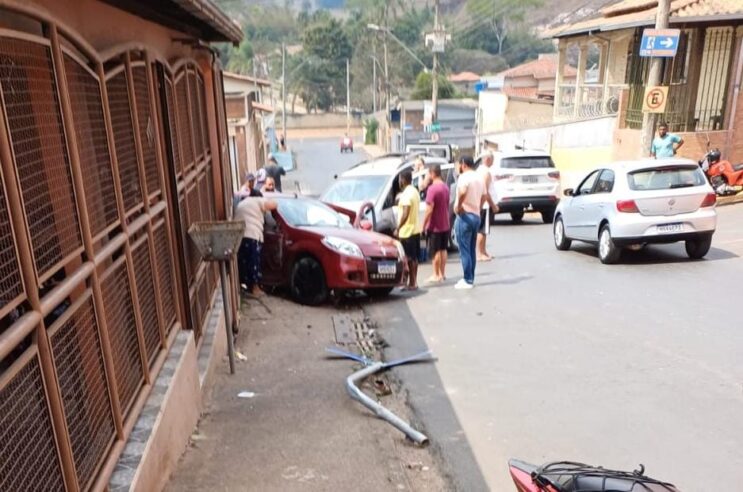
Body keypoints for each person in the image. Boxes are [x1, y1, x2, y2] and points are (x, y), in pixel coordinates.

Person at [453, 155, 486, 290]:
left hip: (465, 215)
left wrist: (459, 207)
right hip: (476, 215)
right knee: (471, 249)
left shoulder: (464, 177)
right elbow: (484, 196)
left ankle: (467, 279)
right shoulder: (479, 177)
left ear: (463, 164)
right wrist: (478, 206)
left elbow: (462, 192)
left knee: (464, 249)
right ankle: (470, 277)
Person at [234, 196, 277, 296]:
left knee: (244, 262)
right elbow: (272, 206)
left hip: (239, 235)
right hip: (252, 235)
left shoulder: (242, 203)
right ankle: (255, 288)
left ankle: (245, 285)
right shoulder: (259, 201)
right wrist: (275, 201)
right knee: (254, 262)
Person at [422, 164, 450, 283]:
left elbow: (429, 209)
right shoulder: (445, 187)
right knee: (443, 249)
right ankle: (442, 274)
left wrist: (423, 225)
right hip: (445, 223)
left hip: (435, 225)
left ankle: (436, 274)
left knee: (435, 250)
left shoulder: (432, 189)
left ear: (432, 174)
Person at [394, 169, 421, 291]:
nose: (399, 181)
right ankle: (413, 282)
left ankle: (411, 283)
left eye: (400, 179)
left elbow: (405, 212)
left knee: (408, 258)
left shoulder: (406, 194)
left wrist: (398, 228)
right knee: (414, 258)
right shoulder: (414, 191)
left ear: (403, 180)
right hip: (415, 229)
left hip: (407, 231)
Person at [475, 151, 500, 261]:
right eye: (492, 159)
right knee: (482, 230)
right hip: (485, 205)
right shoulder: (485, 172)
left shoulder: (480, 170)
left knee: (485, 230)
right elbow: (485, 191)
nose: (493, 161)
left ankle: (484, 251)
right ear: (487, 159)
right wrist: (493, 205)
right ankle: (480, 254)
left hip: (483, 204)